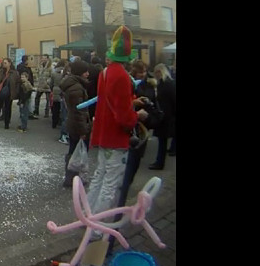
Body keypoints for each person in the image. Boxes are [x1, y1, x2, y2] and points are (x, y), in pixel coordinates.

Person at [87, 26, 149, 220]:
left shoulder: (106, 72)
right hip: (116, 138)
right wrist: (137, 116)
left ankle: (87, 216)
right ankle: (97, 228)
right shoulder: (122, 76)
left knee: (99, 176)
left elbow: (110, 103)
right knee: (110, 184)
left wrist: (131, 103)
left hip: (104, 134)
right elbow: (123, 117)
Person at [60, 59, 92, 187]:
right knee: (76, 152)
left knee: (74, 151)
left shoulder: (74, 84)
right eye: (85, 72)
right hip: (77, 124)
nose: (88, 74)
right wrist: (83, 130)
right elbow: (79, 112)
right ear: (80, 72)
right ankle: (72, 179)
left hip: (73, 123)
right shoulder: (77, 88)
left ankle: (72, 178)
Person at [149, 63, 176, 169]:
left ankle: (159, 163)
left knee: (162, 141)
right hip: (167, 115)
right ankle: (160, 161)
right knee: (162, 141)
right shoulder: (169, 83)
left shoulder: (165, 84)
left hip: (165, 116)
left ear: (159, 72)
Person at [0, 58, 19, 130]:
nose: (4, 64)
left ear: (9, 63)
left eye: (5, 63)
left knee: (8, 108)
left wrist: (16, 92)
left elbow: (17, 83)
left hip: (9, 92)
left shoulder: (14, 73)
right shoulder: (0, 72)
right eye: (3, 63)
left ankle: (7, 123)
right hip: (0, 92)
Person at [16, 55, 36, 119]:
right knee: (27, 101)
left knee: (22, 100)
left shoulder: (19, 67)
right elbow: (29, 78)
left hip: (20, 86)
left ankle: (22, 113)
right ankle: (27, 114)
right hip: (26, 87)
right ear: (26, 60)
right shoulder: (26, 68)